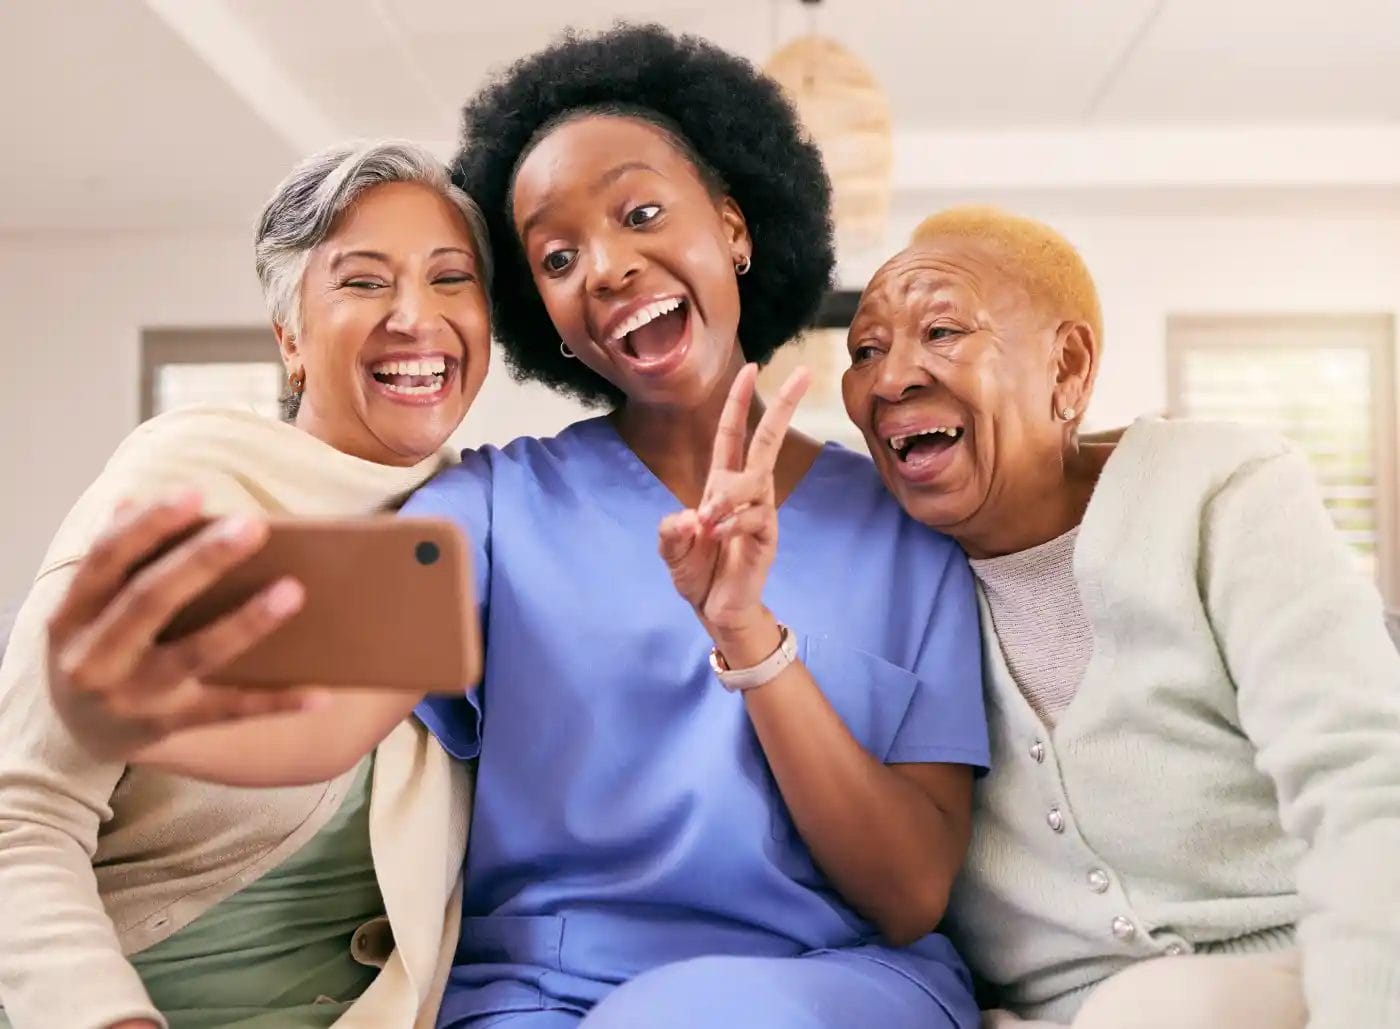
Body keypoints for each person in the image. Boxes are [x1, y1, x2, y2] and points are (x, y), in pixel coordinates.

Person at [45, 26, 992, 1029]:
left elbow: (905, 895)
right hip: (534, 998)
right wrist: (141, 708)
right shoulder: (491, 508)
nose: (608, 266)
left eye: (640, 213)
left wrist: (750, 640)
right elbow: (326, 712)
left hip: (824, 981)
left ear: (733, 227)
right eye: (555, 255)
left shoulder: (903, 528)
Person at [840, 205, 1400, 1028]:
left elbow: (1362, 783)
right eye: (865, 349)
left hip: (1308, 975)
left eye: (943, 331)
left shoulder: (1219, 490)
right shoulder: (884, 573)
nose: (891, 379)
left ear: (1066, 366)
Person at [0, 140, 493, 1029]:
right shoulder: (177, 493)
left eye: (450, 277)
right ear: (290, 337)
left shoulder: (481, 518)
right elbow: (21, 815)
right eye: (364, 281)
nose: (416, 316)